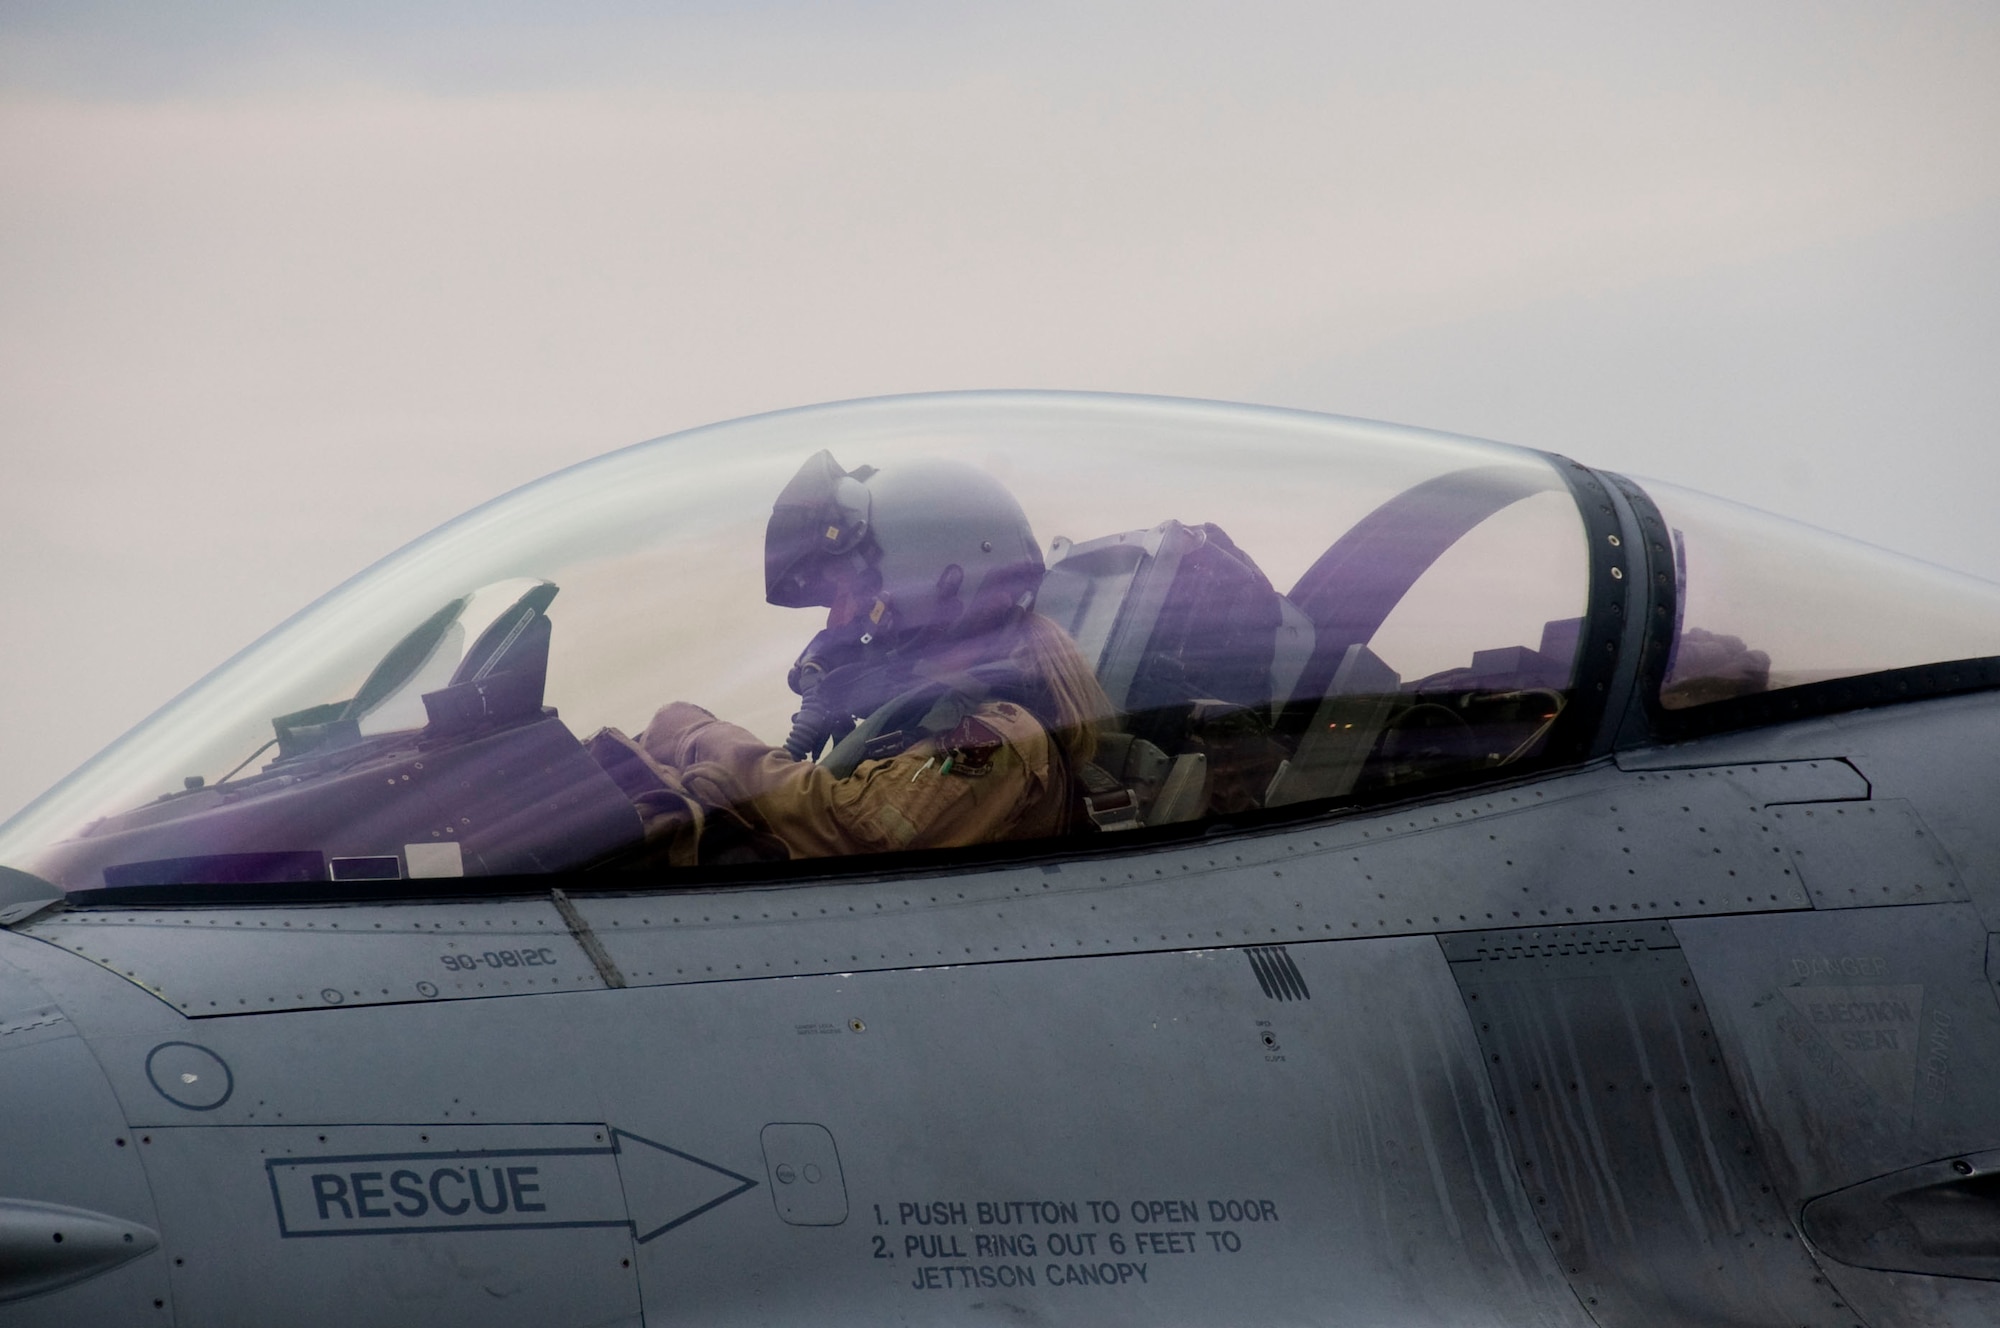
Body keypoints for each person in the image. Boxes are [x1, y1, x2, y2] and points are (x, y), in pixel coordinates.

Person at [627, 450, 1111, 861]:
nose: (838, 620)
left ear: (935, 580)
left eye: (852, 594)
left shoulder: (1004, 737)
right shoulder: (936, 713)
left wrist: (696, 738)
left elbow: (854, 828)